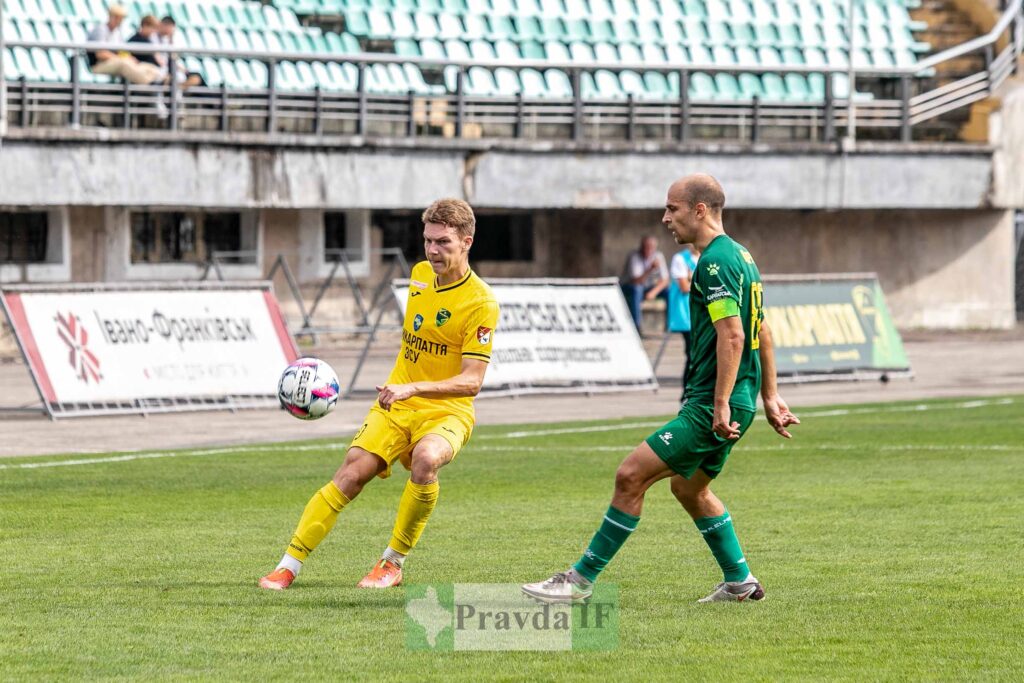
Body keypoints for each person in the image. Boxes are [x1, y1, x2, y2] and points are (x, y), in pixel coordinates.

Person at [523, 174, 800, 604]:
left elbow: (733, 335)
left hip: (714, 403)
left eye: (672, 208)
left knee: (630, 475)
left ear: (700, 210)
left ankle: (578, 581)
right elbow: (761, 329)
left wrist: (721, 402)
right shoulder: (742, 257)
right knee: (689, 489)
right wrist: (768, 395)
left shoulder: (714, 262)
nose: (665, 217)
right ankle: (740, 582)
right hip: (736, 400)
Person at [260, 199, 500, 591]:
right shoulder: (420, 275)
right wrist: (404, 387)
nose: (432, 251)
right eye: (428, 241)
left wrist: (414, 387)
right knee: (351, 474)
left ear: (467, 242)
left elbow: (472, 381)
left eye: (443, 242)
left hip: (447, 412)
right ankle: (288, 565)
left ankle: (391, 563)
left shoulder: (481, 302)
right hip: (395, 404)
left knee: (425, 460)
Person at [86, 5, 162, 85]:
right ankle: (149, 85)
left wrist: (129, 58)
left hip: (114, 62)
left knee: (148, 67)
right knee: (124, 64)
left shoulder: (117, 32)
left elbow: (121, 51)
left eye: (121, 18)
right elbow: (101, 54)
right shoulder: (100, 30)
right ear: (111, 16)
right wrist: (122, 58)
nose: (120, 20)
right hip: (98, 65)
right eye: (118, 17)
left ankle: (159, 82)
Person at [668, 244, 699, 400]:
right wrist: (694, 281)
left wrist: (691, 277)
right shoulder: (680, 259)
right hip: (685, 315)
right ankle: (687, 392)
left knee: (700, 354)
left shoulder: (705, 258)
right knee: (692, 354)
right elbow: (684, 287)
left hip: (701, 315)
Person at [620, 235, 669, 331]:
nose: (649, 249)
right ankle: (636, 327)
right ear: (641, 247)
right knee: (637, 289)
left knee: (669, 291)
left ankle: (670, 326)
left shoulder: (658, 256)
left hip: (649, 288)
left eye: (651, 247)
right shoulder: (634, 256)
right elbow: (636, 281)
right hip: (629, 287)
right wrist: (650, 269)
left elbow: (665, 280)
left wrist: (653, 292)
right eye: (646, 247)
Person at [157, 16, 204, 89]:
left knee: (197, 77)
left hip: (173, 71)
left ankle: (180, 87)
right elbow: (163, 61)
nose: (171, 30)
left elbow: (174, 60)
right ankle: (179, 88)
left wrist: (171, 39)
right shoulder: (153, 38)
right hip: (164, 73)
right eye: (170, 27)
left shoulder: (167, 41)